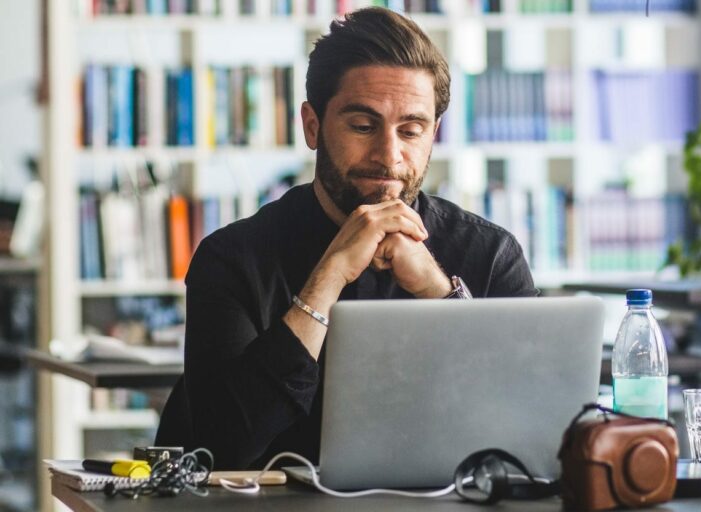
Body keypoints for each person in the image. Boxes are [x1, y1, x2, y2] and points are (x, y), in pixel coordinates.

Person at [156, 7, 537, 470]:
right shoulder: (231, 259)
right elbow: (222, 446)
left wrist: (440, 295)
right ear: (312, 126)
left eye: (411, 130)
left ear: (434, 135)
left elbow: (527, 434)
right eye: (362, 126)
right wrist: (329, 276)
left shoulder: (491, 254)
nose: (389, 156)